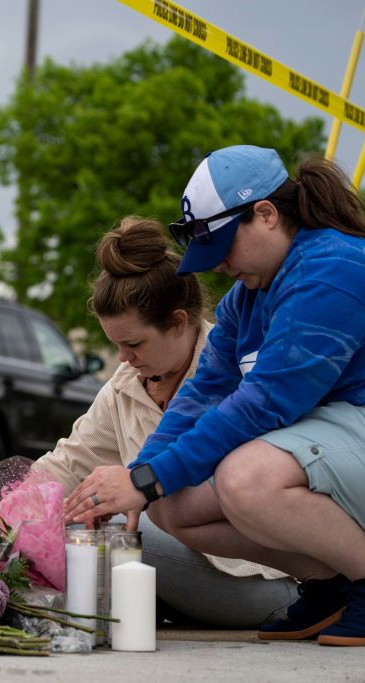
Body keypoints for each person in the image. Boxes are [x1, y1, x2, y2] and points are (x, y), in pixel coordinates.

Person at [65, 145, 365, 647]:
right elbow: (201, 396)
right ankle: (335, 586)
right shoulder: (250, 297)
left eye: (222, 245)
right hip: (363, 450)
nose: (217, 264)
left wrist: (147, 477)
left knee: (246, 476)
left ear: (265, 213)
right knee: (169, 506)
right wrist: (144, 478)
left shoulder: (336, 268)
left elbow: (266, 402)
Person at [32, 215, 296, 628]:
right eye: (115, 344)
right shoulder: (124, 388)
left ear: (178, 322)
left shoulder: (246, 375)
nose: (122, 358)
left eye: (134, 343)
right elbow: (65, 466)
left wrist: (131, 489)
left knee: (111, 527)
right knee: (56, 521)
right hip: (178, 577)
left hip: (266, 579)